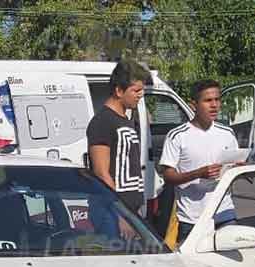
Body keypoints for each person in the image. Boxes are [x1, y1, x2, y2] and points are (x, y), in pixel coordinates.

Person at [158, 80, 242, 244]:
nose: (214, 105)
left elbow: (233, 169)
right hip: (192, 218)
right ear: (194, 104)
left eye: (217, 100)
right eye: (208, 101)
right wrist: (198, 173)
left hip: (224, 214)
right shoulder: (178, 135)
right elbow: (168, 176)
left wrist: (239, 170)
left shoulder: (227, 133)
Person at [87, 59, 151, 239]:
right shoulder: (103, 121)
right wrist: (121, 215)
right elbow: (101, 173)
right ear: (118, 90)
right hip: (110, 214)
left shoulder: (125, 119)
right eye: (136, 90)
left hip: (130, 212)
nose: (140, 95)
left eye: (142, 90)